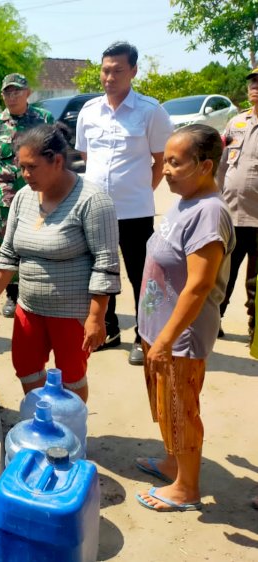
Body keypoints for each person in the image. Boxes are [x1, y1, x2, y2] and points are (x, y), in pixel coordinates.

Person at [134, 124, 235, 512]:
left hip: (181, 337)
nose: (166, 169)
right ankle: (173, 464)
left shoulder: (209, 213)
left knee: (181, 409)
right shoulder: (185, 199)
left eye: (176, 163)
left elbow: (198, 286)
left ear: (205, 165)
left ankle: (186, 489)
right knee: (164, 405)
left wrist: (164, 339)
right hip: (160, 329)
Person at [0, 123, 120, 402]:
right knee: (26, 368)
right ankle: (42, 421)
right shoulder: (23, 197)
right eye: (21, 167)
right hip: (29, 307)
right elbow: (8, 252)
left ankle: (71, 431)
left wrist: (96, 317)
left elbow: (105, 263)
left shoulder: (93, 201)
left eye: (31, 167)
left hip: (70, 313)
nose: (24, 175)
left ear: (57, 161)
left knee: (71, 376)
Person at [75, 41, 174, 366]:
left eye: (118, 70)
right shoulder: (89, 112)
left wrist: (142, 190)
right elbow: (86, 157)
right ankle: (109, 328)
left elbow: (161, 160)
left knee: (141, 276)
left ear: (133, 71)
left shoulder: (150, 111)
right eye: (105, 70)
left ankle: (143, 336)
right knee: (99, 273)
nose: (110, 77)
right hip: (96, 212)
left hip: (135, 212)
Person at [0, 73, 53, 319]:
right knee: (5, 243)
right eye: (7, 92)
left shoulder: (44, 119)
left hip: (38, 190)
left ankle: (39, 288)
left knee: (41, 237)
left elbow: (54, 158)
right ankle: (12, 294)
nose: (11, 96)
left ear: (28, 92)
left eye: (16, 91)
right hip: (4, 193)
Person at [217, 67, 258, 341]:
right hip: (232, 216)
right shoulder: (236, 123)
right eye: (252, 81)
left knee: (256, 282)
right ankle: (213, 322)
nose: (254, 85)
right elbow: (221, 166)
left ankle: (255, 329)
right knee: (222, 276)